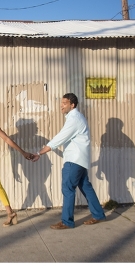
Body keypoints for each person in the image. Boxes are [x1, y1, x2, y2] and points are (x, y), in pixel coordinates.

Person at [29, 92, 106, 230]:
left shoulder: (74, 119)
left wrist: (40, 152)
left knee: (68, 188)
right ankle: (98, 215)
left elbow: (60, 138)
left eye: (64, 104)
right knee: (86, 187)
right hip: (80, 159)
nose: (61, 106)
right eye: (61, 103)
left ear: (72, 104)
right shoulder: (76, 118)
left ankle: (67, 221)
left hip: (74, 160)